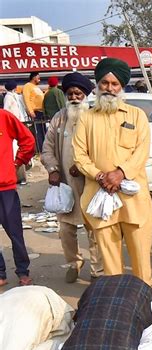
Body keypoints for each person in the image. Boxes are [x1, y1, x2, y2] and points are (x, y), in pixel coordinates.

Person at [73, 58, 152, 286]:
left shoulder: (136, 115)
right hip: (100, 197)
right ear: (98, 85)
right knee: (110, 265)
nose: (109, 88)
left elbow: (142, 151)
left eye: (115, 84)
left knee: (141, 260)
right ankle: (115, 305)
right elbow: (79, 155)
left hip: (133, 198)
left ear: (122, 87)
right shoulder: (86, 117)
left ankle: (144, 300)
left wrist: (120, 173)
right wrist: (100, 176)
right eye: (105, 83)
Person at [41, 72, 103, 283]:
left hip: (91, 184)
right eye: (70, 94)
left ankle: (97, 270)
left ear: (86, 95)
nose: (74, 97)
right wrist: (53, 169)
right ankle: (75, 262)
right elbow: (47, 148)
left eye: (78, 93)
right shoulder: (59, 118)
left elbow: (104, 151)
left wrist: (85, 167)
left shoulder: (96, 116)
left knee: (94, 230)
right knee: (66, 231)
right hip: (66, 185)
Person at [0, 109, 36, 287]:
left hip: (5, 187)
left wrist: (18, 162)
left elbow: (28, 140)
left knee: (15, 233)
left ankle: (23, 272)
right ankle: (0, 273)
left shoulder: (4, 117)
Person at [22, 71, 45, 151]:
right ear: (33, 77)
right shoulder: (27, 86)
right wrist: (30, 111)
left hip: (41, 112)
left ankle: (44, 148)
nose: (39, 79)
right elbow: (26, 99)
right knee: (37, 131)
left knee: (43, 131)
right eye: (38, 77)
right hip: (35, 112)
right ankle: (40, 149)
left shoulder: (36, 87)